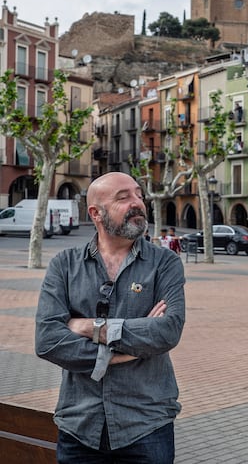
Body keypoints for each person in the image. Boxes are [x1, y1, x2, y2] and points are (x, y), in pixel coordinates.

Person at [35, 172, 185, 463]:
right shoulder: (64, 266)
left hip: (146, 425)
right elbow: (48, 341)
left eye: (138, 194)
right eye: (123, 197)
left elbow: (167, 331)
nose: (137, 202)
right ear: (96, 213)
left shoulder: (165, 263)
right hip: (79, 425)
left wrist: (87, 326)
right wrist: (130, 349)